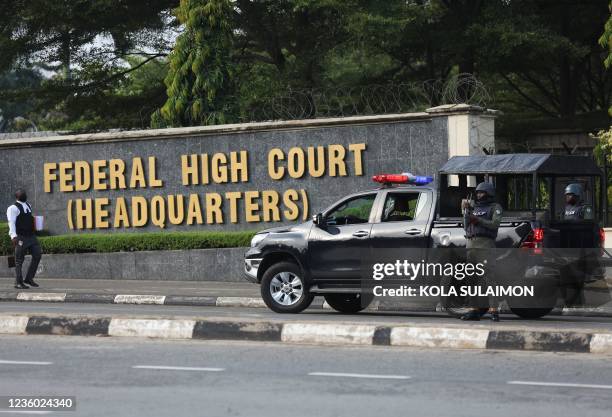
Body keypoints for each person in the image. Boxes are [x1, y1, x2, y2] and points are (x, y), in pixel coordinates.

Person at [460, 181, 502, 321]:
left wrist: (478, 220)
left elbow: (495, 224)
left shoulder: (495, 207)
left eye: (481, 192)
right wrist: (465, 212)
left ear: (488, 193)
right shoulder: (474, 207)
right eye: (477, 192)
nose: (478, 195)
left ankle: (494, 310)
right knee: (471, 279)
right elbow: (466, 226)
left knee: (489, 278)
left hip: (485, 245)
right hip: (471, 245)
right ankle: (473, 309)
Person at [6, 189, 41, 289]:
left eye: (24, 194)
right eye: (22, 194)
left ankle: (29, 279)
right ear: (17, 196)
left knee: (37, 255)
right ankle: (18, 282)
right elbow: (11, 222)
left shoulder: (28, 205)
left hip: (31, 236)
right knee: (19, 260)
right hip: (20, 236)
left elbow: (28, 218)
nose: (24, 195)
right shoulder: (12, 208)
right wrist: (13, 236)